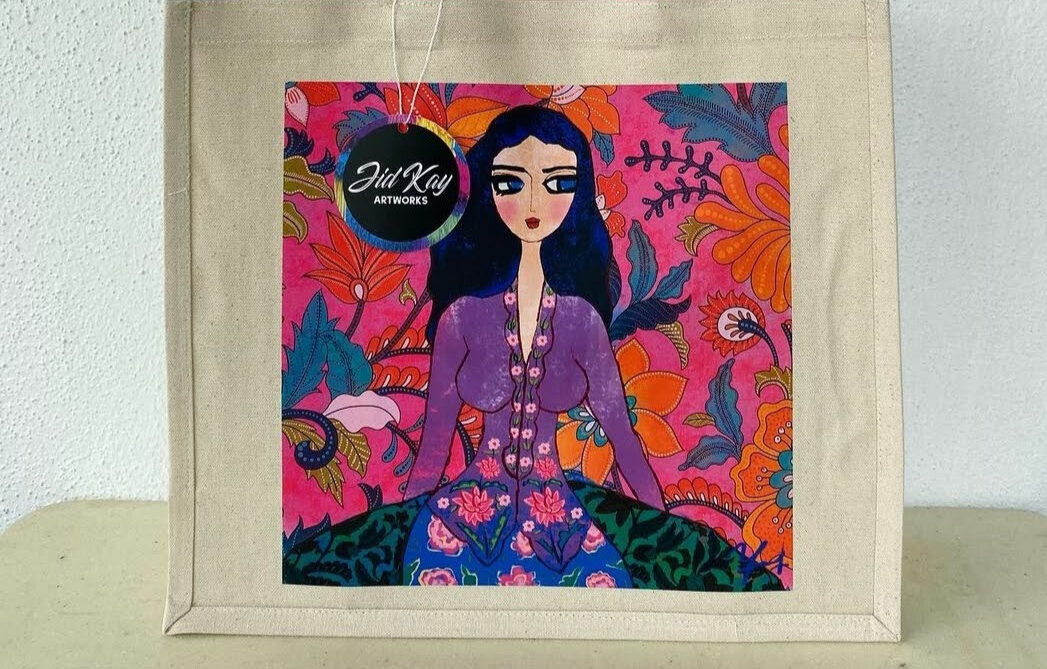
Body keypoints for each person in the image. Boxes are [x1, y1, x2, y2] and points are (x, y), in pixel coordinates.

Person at [283, 106, 781, 592]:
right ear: (487, 191)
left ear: (579, 196)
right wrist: (396, 527)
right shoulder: (461, 319)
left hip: (559, 526)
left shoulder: (582, 323)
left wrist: (670, 531)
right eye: (511, 183)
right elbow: (433, 449)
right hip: (461, 518)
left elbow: (624, 440)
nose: (533, 203)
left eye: (558, 183)